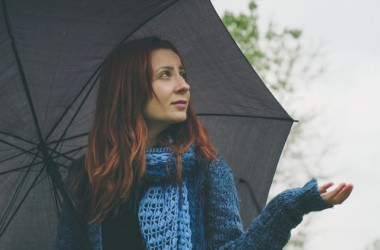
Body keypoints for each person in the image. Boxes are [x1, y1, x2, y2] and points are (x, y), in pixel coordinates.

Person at [55, 36, 353, 250]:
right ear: (130, 88)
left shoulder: (205, 168)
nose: (183, 84)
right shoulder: (89, 175)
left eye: (182, 74)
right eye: (165, 75)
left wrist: (288, 207)